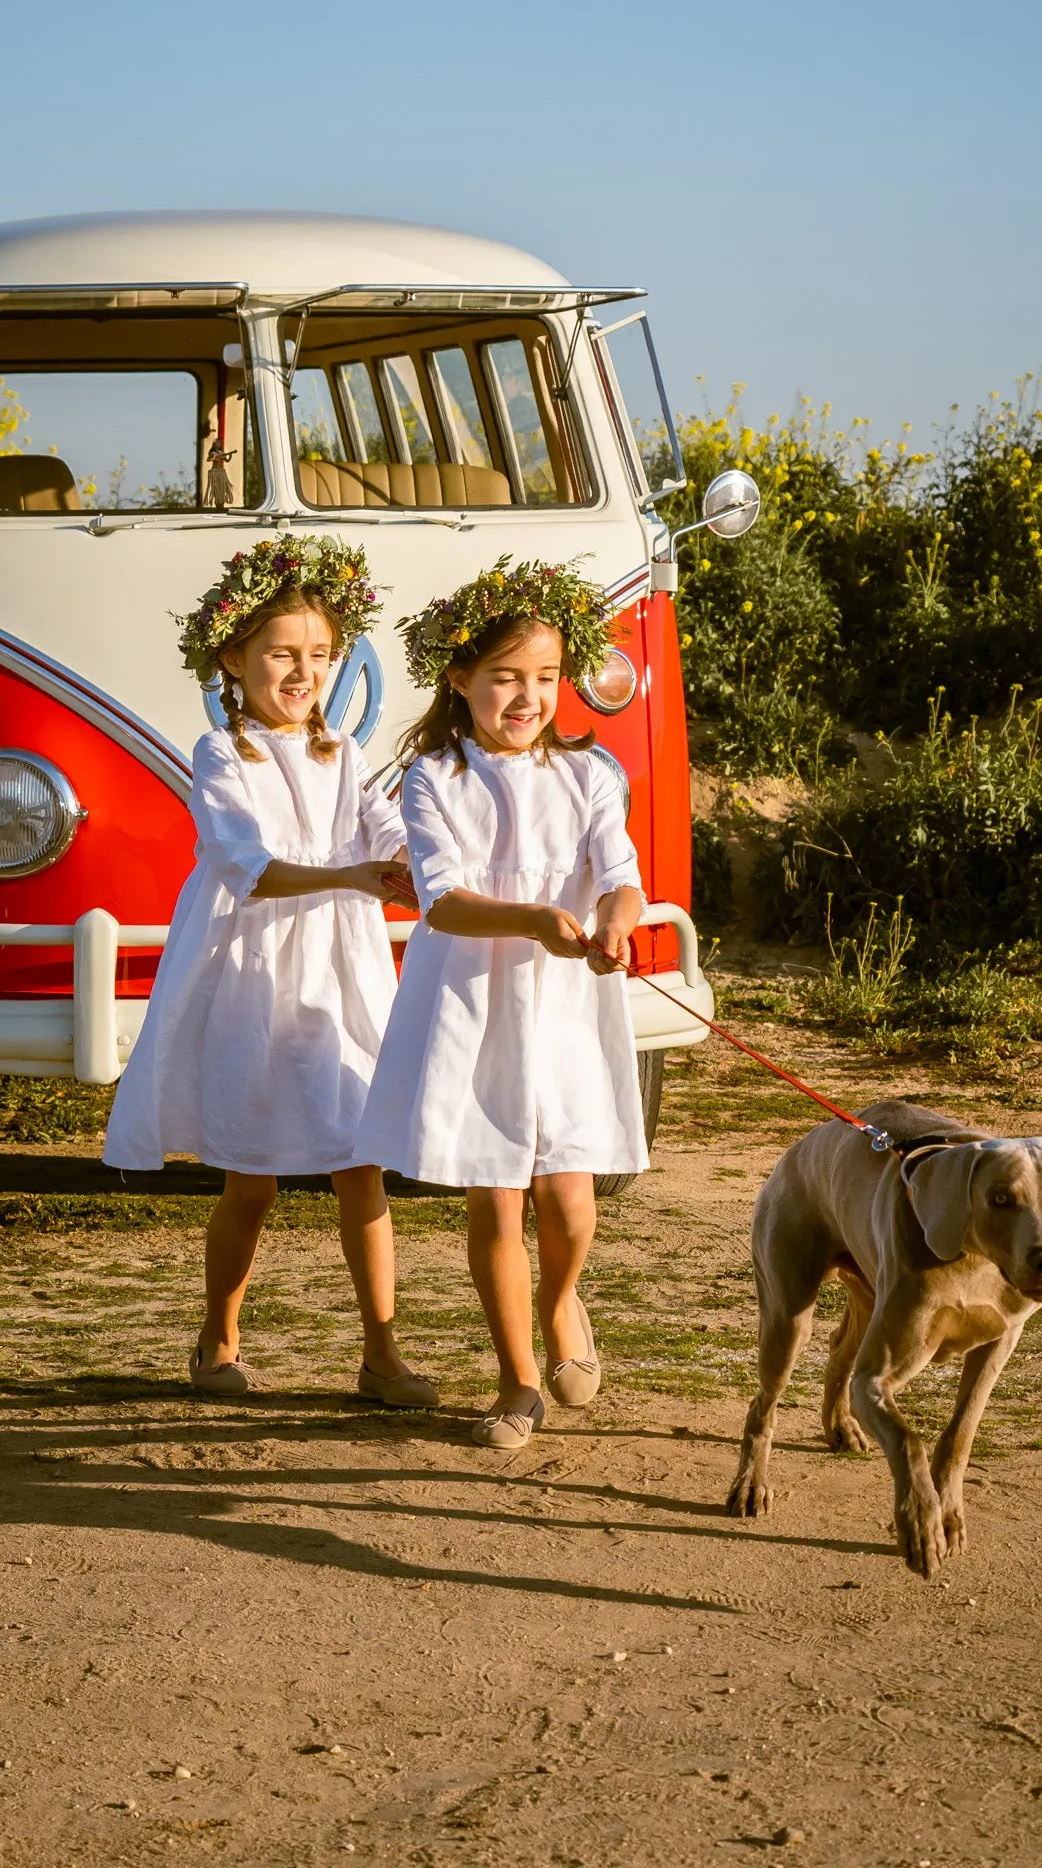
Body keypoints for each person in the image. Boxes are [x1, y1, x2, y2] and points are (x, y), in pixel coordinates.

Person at [103, 535, 437, 1409]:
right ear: (233, 657)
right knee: (252, 1175)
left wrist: (416, 864)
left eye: (319, 656)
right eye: (282, 654)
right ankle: (217, 1335)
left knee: (360, 1163)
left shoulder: (344, 753)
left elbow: (382, 830)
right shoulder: (224, 754)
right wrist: (353, 878)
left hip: (341, 971)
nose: (302, 672)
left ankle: (382, 1352)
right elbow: (244, 865)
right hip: (255, 971)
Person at [352, 559, 646, 1448]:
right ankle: (518, 1380)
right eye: (506, 678)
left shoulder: (590, 774)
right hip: (475, 1000)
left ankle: (562, 1303)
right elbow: (439, 899)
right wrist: (533, 920)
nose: (527, 697)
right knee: (498, 1200)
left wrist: (614, 924)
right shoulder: (435, 777)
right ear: (460, 679)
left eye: (546, 678)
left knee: (571, 1203)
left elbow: (624, 877)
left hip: (566, 1003)